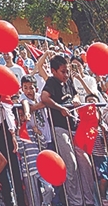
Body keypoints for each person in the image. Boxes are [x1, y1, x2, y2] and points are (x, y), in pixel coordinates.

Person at [41, 54, 93, 206]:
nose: (66, 74)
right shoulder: (51, 82)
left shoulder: (69, 81)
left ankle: (89, 200)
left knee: (85, 162)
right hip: (60, 127)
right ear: (54, 71)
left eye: (67, 71)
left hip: (74, 125)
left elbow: (75, 94)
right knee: (71, 164)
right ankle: (76, 201)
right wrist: (60, 108)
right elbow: (44, 97)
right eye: (63, 72)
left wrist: (76, 100)